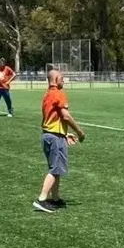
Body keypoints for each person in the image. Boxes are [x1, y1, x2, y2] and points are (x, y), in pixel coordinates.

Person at [33, 69, 87, 213]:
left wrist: (64, 134)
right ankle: (42, 199)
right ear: (55, 79)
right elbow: (66, 116)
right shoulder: (59, 94)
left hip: (48, 135)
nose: (64, 80)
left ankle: (55, 198)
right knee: (55, 169)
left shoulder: (47, 95)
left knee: (56, 169)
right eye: (62, 78)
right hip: (54, 137)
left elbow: (52, 119)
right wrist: (79, 132)